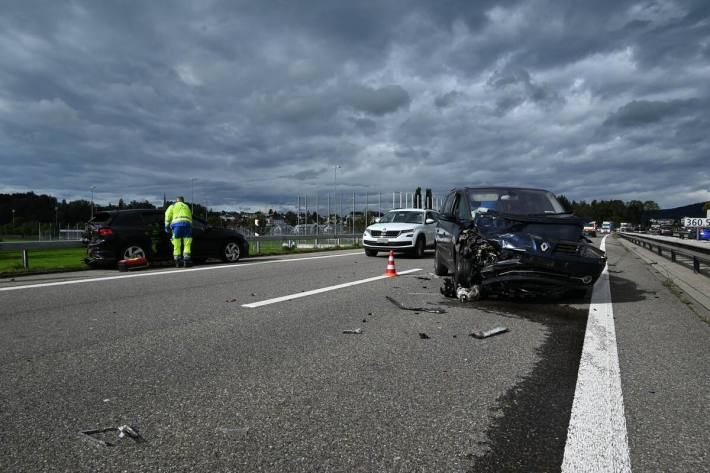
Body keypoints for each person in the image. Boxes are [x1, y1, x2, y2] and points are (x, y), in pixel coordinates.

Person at [164, 196, 193, 267]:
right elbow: (190, 217)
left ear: (176, 201)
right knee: (187, 243)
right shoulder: (186, 206)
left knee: (176, 243)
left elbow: (167, 215)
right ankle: (186, 261)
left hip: (177, 226)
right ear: (183, 201)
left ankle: (178, 261)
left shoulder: (173, 206)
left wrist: (167, 226)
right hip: (187, 225)